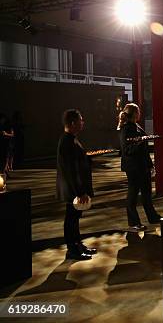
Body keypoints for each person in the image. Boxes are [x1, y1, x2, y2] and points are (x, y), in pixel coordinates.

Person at [56, 109, 96, 260]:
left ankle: (77, 245)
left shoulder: (70, 139)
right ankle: (72, 249)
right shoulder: (67, 141)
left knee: (74, 218)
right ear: (73, 123)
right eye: (80, 120)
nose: (82, 123)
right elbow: (71, 171)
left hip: (73, 188)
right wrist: (80, 192)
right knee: (71, 219)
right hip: (72, 189)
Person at [118, 103, 162, 232]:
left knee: (147, 193)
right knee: (133, 194)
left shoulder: (136, 126)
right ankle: (133, 222)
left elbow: (143, 148)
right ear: (134, 113)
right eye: (138, 111)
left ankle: (152, 217)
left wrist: (150, 164)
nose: (140, 113)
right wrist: (139, 141)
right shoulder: (126, 128)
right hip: (133, 167)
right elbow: (127, 149)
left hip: (142, 165)